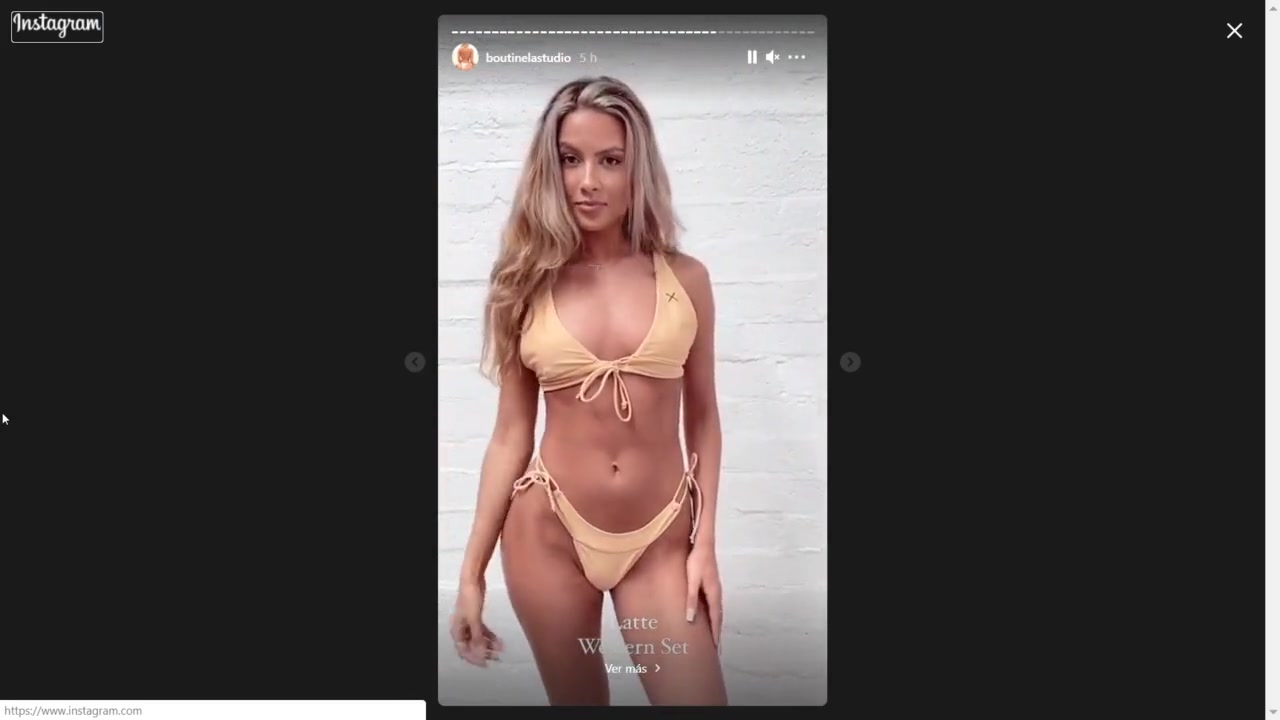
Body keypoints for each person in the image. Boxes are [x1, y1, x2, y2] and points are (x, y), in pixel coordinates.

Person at [448, 76, 729, 706]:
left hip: (660, 541)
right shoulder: (525, 283)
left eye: (610, 160)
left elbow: (704, 419)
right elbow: (510, 435)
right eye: (570, 159)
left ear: (637, 169)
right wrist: (470, 575)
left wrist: (705, 544)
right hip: (548, 533)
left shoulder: (686, 279)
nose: (588, 181)